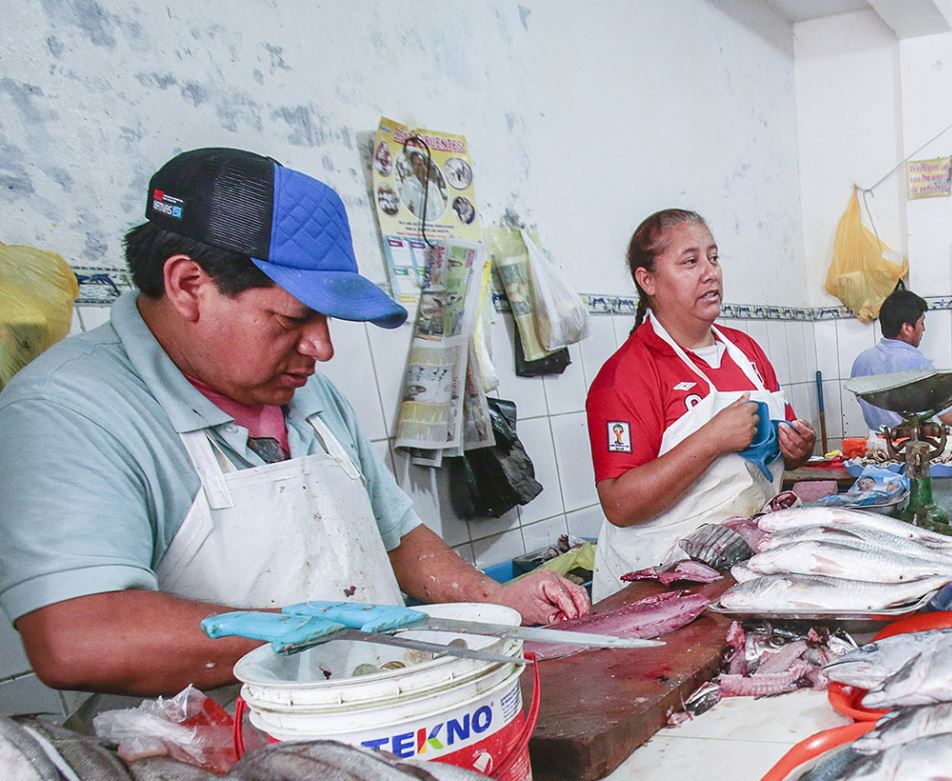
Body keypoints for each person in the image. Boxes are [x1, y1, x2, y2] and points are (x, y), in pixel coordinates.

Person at [0, 147, 587, 699]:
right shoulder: (71, 409)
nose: (322, 347)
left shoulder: (311, 395)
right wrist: (313, 629)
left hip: (378, 715)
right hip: (221, 765)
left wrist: (493, 600)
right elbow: (76, 636)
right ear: (187, 286)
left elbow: (398, 536)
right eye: (291, 319)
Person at [585, 209, 815, 587]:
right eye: (690, 262)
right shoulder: (626, 375)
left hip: (740, 558)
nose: (710, 272)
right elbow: (619, 505)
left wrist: (797, 447)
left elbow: (781, 447)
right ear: (648, 280)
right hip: (656, 579)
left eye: (713, 257)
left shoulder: (745, 351)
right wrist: (712, 439)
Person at [848, 288, 952, 432]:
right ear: (906, 328)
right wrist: (951, 387)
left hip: (877, 447)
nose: (923, 329)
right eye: (922, 323)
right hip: (914, 447)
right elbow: (950, 418)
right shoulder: (918, 363)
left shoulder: (861, 361)